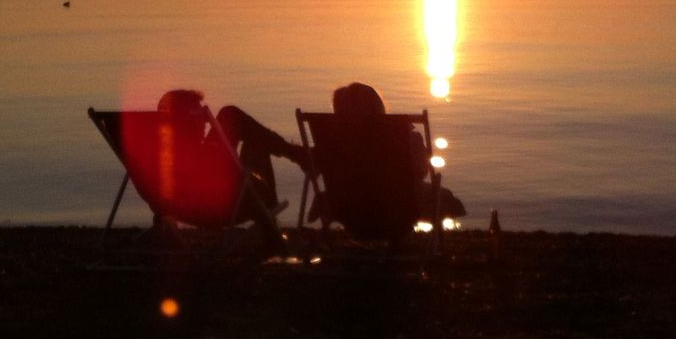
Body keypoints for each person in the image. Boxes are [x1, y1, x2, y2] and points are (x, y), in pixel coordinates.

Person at [313, 82, 465, 229]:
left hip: (351, 210)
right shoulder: (405, 137)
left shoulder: (334, 143)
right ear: (377, 106)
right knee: (443, 196)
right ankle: (407, 241)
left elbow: (323, 166)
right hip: (398, 210)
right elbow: (421, 171)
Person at [155, 89, 306, 225]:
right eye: (199, 112)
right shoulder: (191, 160)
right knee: (230, 114)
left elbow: (160, 196)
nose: (206, 120)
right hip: (223, 204)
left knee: (255, 141)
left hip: (194, 204)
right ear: (183, 119)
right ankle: (296, 154)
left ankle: (296, 154)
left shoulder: (160, 157)